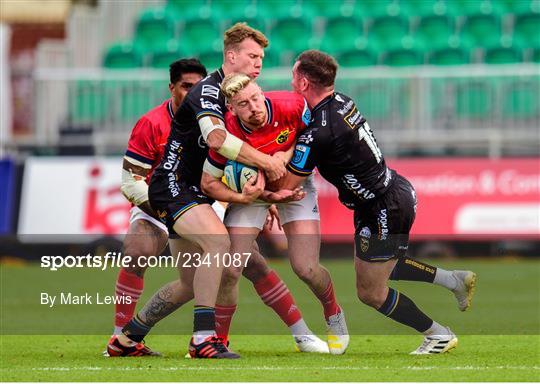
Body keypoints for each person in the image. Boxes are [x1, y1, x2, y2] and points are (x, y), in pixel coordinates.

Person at [110, 23, 325, 359]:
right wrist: (269, 165)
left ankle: (125, 339)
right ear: (231, 55)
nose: (258, 63)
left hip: (197, 191)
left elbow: (227, 167)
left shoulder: (238, 96)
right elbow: (217, 140)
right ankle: (203, 340)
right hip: (173, 186)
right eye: (252, 55)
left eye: (262, 58)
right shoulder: (209, 91)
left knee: (188, 283)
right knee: (219, 243)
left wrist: (261, 193)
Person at [281, 50, 476, 354]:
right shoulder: (341, 101)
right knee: (377, 268)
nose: (290, 82)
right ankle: (453, 281)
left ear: (304, 82)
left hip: (385, 206)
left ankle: (437, 334)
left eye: (294, 76)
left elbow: (289, 183)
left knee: (371, 291)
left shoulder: (321, 130)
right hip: (383, 197)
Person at [201, 73, 349, 355]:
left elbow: (311, 136)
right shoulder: (225, 133)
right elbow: (208, 184)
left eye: (256, 98)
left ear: (262, 92)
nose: (254, 107)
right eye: (243, 104)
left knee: (305, 268)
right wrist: (247, 196)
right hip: (252, 195)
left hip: (296, 185)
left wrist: (285, 155)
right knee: (231, 268)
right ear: (231, 109)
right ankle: (218, 343)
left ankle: (333, 312)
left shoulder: (290, 104)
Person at [107, 58, 208, 355]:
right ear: (171, 88)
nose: (192, 93)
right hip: (156, 204)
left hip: (200, 204)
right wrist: (165, 209)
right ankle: (120, 337)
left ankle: (300, 333)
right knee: (136, 253)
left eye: (198, 87)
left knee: (247, 261)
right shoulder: (151, 123)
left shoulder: (213, 119)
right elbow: (130, 182)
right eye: (185, 86)